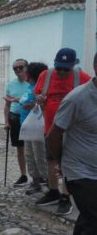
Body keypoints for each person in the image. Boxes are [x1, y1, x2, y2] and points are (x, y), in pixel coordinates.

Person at [47, 52, 97, 235]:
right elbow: (54, 134)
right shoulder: (77, 98)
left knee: (87, 222)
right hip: (78, 170)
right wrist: (61, 163)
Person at [34, 47, 91, 214]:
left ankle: (66, 196)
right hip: (50, 127)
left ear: (73, 65)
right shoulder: (46, 75)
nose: (61, 72)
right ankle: (53, 191)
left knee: (67, 162)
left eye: (65, 69)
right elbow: (37, 92)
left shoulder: (81, 77)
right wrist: (38, 98)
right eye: (59, 68)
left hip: (71, 129)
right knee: (51, 159)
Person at [19, 62, 48, 195]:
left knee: (39, 155)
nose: (25, 74)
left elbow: (42, 103)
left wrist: (33, 104)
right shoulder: (30, 86)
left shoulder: (41, 87)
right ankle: (35, 181)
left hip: (38, 127)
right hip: (27, 125)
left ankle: (49, 183)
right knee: (29, 155)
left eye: (27, 72)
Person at [4, 59, 30, 186]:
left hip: (31, 118)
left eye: (20, 67)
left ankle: (38, 176)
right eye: (15, 68)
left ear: (26, 68)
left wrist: (17, 99)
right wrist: (6, 121)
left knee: (33, 147)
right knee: (20, 148)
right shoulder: (10, 84)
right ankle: (24, 175)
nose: (17, 70)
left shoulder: (32, 83)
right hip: (15, 118)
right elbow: (7, 105)